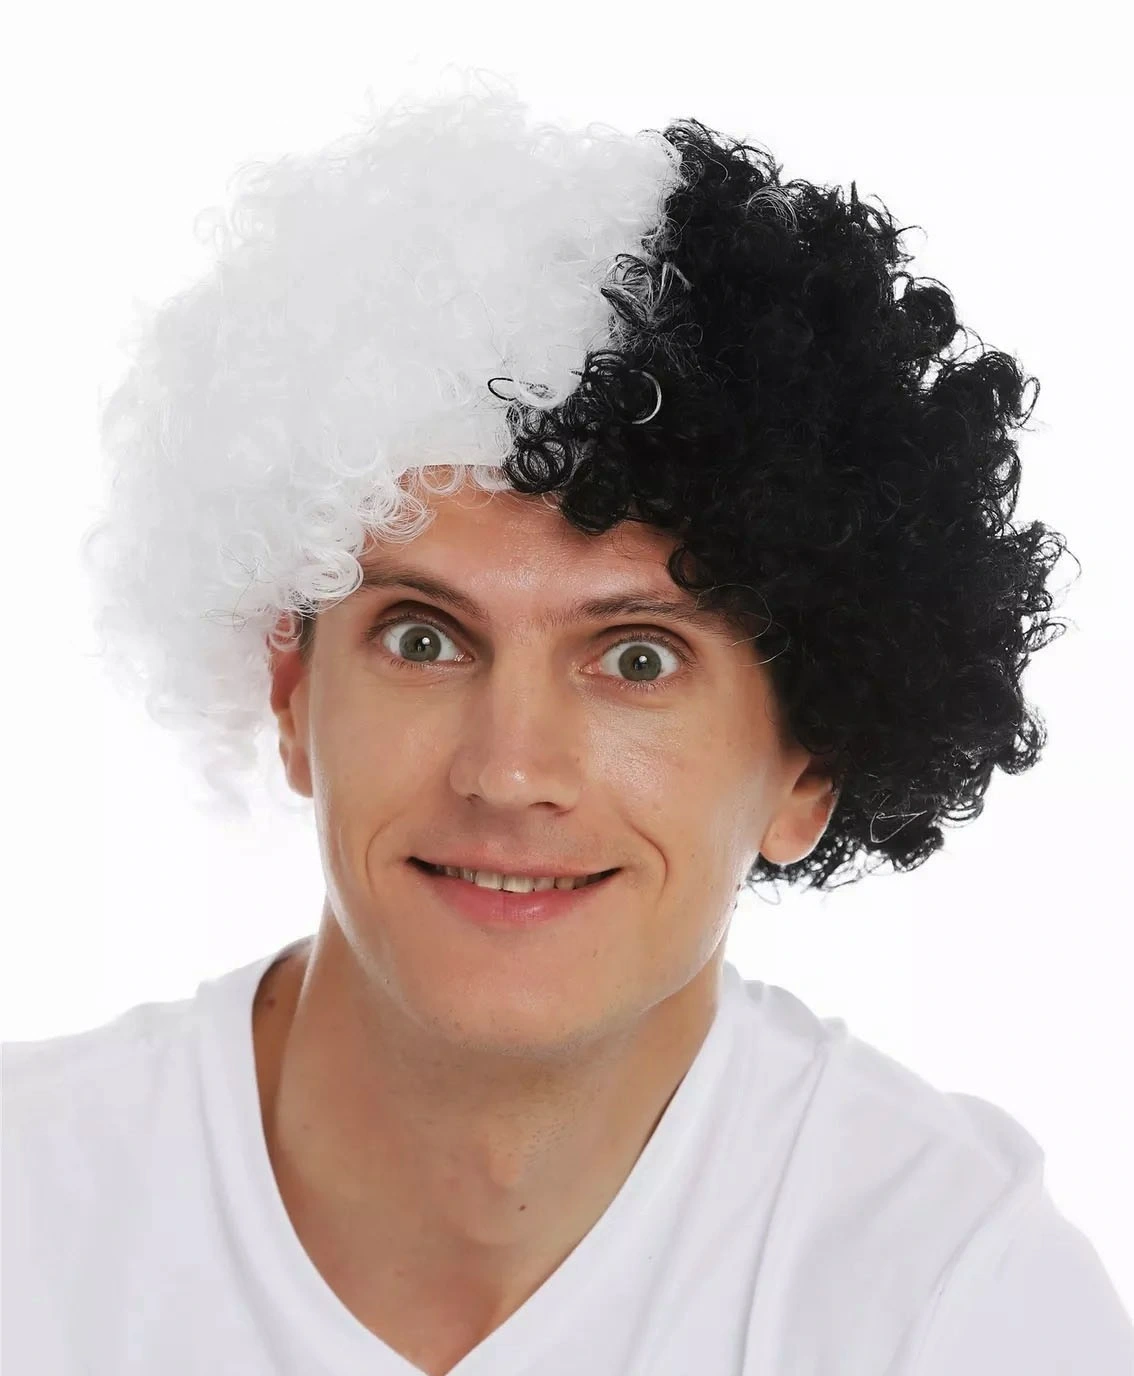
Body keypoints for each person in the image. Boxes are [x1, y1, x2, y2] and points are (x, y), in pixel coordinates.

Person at [4, 70, 1132, 1376]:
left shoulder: (947, 1299)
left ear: (806, 768)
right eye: (423, 638)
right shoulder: (30, 1207)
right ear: (293, 694)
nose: (509, 770)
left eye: (636, 658)